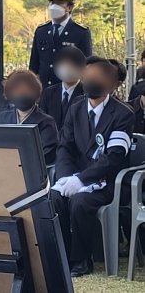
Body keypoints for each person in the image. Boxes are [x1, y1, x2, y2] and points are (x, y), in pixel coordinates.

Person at [51, 56, 134, 277]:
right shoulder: (75, 109)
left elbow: (114, 156)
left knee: (80, 202)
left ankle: (82, 259)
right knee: (55, 198)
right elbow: (64, 147)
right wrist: (66, 177)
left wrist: (81, 180)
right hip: (76, 175)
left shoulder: (123, 114)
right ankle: (63, 255)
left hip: (108, 182)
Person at [29, 0, 92, 88]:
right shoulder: (42, 31)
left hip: (68, 92)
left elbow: (86, 65)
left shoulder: (81, 32)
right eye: (52, 3)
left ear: (70, 7)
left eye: (59, 3)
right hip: (43, 91)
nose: (54, 7)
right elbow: (34, 65)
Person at [0, 70, 58, 164]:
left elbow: (48, 154)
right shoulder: (2, 118)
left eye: (27, 90)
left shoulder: (46, 122)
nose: (22, 93)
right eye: (17, 90)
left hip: (32, 171)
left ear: (36, 92)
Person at [40, 46, 86, 129]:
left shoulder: (86, 92)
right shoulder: (49, 92)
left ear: (81, 69)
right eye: (64, 65)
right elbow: (42, 120)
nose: (67, 69)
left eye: (71, 65)